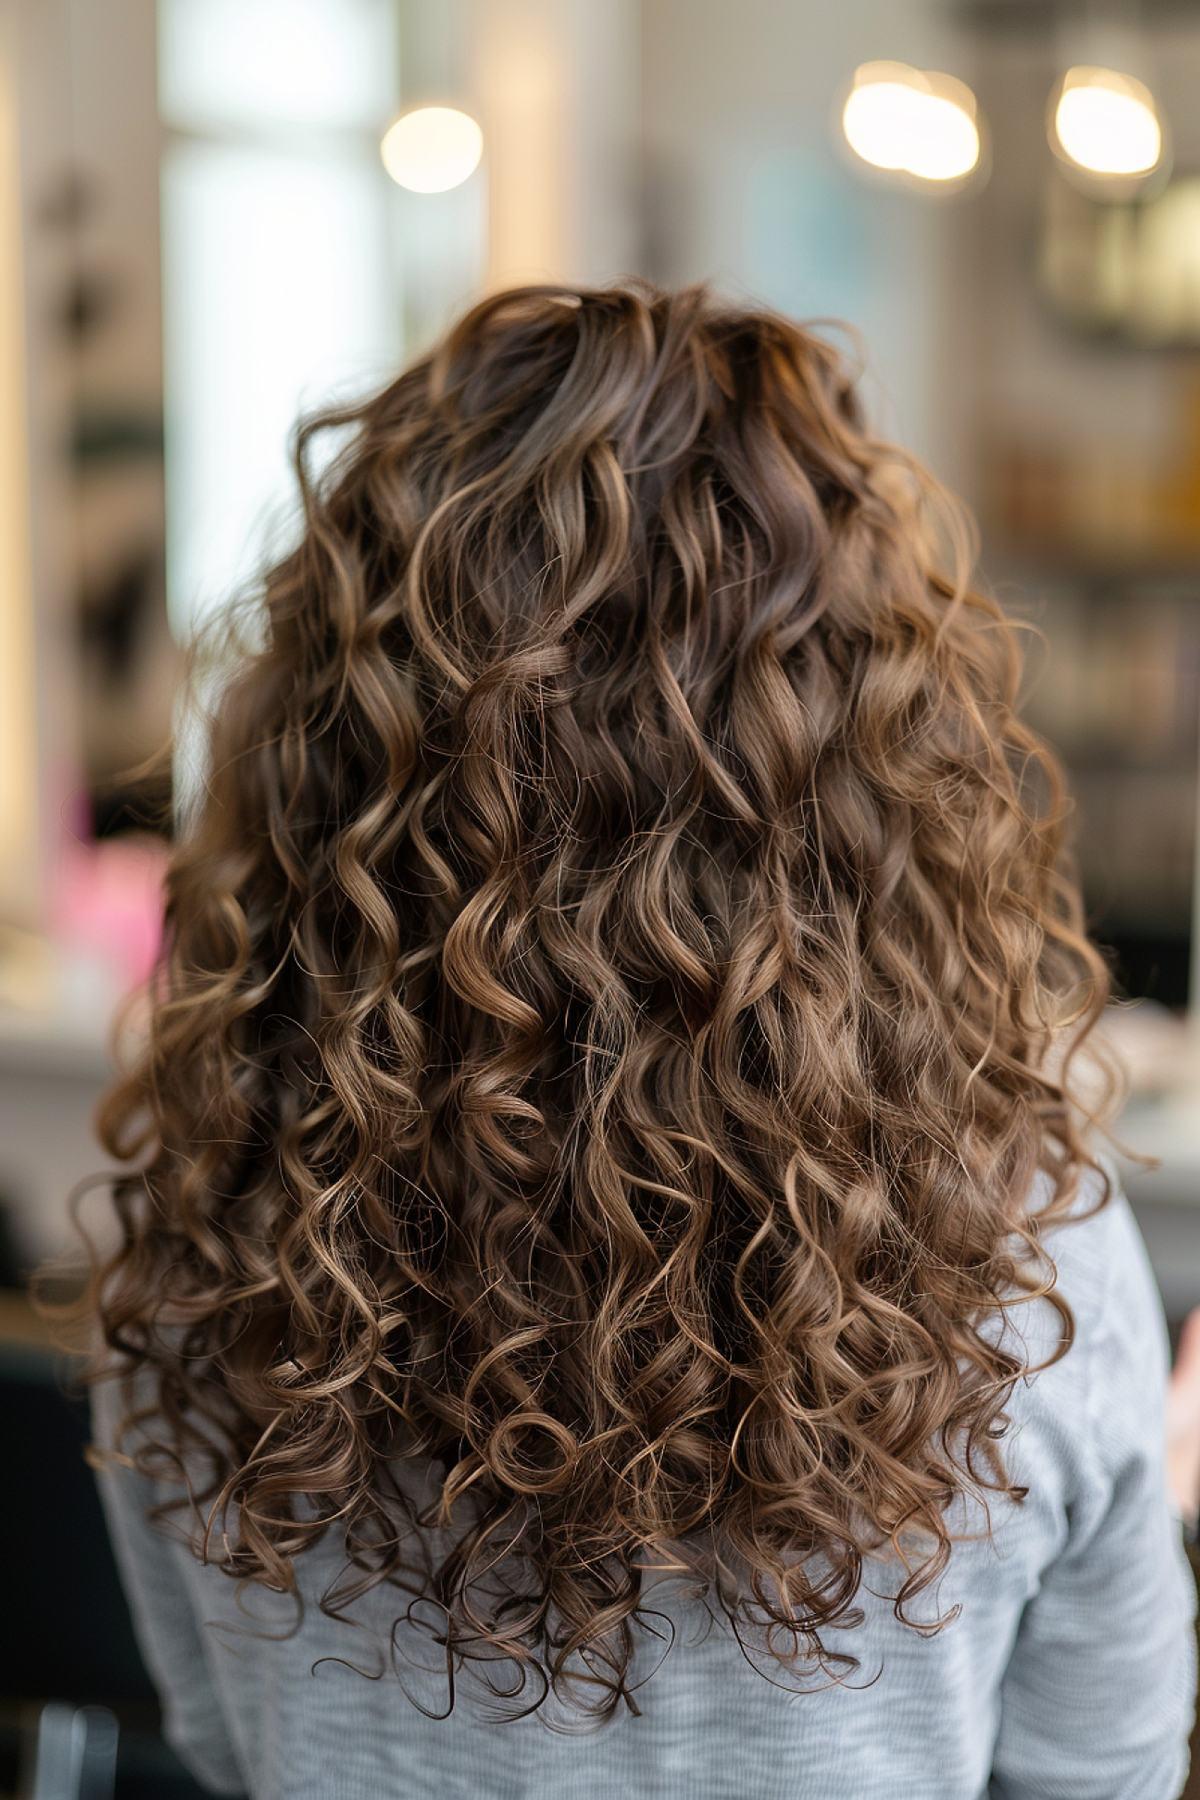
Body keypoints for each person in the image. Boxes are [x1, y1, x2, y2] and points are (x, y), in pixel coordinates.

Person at [85, 283, 1196, 1799]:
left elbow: (225, 1744)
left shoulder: (213, 1227)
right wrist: (1143, 1480)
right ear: (873, 772)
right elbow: (1100, 1779)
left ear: (329, 748)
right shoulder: (1032, 1263)